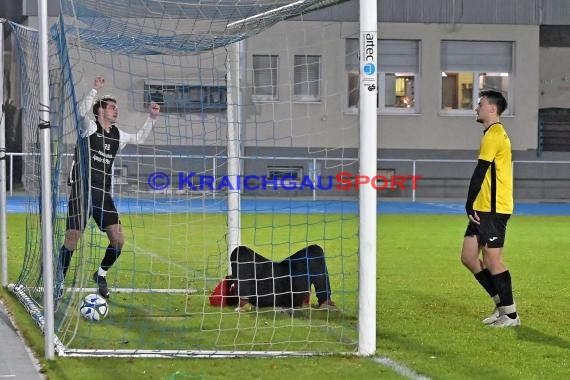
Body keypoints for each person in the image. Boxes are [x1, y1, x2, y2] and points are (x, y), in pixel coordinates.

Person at [56, 76, 160, 299]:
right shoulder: (89, 128)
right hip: (82, 192)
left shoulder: (118, 135)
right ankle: (59, 281)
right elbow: (81, 113)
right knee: (72, 239)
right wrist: (94, 89)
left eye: (116, 108)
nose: (116, 111)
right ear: (100, 110)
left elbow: (140, 138)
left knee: (118, 240)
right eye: (112, 107)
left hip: (103, 194)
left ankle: (100, 275)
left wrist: (151, 118)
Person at [460, 89, 520, 327]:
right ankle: (500, 305)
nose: (477, 107)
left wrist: (468, 203)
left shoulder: (494, 135)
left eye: (481, 104)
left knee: (494, 261)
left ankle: (512, 315)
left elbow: (480, 172)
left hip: (493, 209)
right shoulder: (493, 134)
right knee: (468, 257)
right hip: (483, 207)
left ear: (492, 109)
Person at [229, 245, 339, 312]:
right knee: (314, 251)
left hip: (264, 290)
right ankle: (326, 302)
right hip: (291, 290)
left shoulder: (248, 275)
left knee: (240, 251)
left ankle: (243, 303)